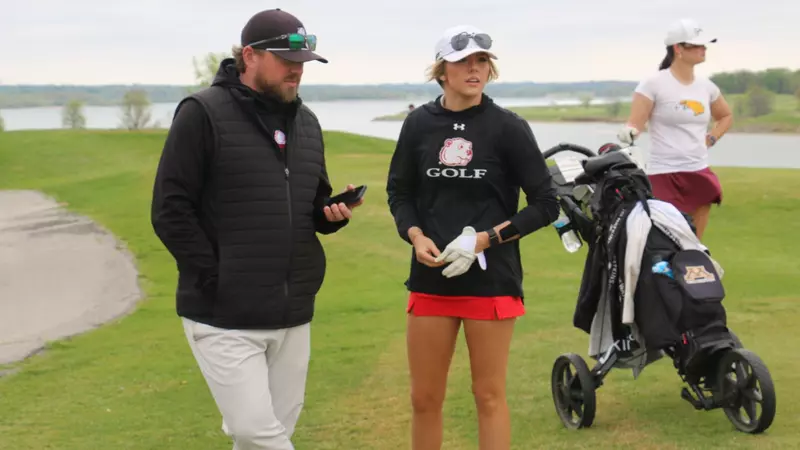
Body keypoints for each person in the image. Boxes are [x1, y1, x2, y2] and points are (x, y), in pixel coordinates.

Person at [150, 8, 362, 450]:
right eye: (286, 60)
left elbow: (310, 205)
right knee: (256, 432)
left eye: (303, 62)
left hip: (293, 312)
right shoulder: (201, 113)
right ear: (249, 56)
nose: (297, 70)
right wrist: (216, 277)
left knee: (271, 433)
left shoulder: (306, 123)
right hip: (224, 315)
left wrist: (330, 214)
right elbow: (170, 210)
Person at [386, 24, 560, 450]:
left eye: (481, 60)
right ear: (441, 70)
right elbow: (400, 193)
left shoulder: (508, 127)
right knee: (424, 398)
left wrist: (485, 239)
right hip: (432, 279)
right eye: (463, 61)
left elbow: (545, 204)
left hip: (491, 279)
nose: (474, 68)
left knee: (488, 395)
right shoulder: (418, 124)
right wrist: (415, 236)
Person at [618, 18, 733, 239]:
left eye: (704, 44)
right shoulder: (653, 84)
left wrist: (711, 138)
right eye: (697, 45)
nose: (704, 49)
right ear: (678, 48)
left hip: (698, 171)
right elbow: (636, 123)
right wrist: (630, 131)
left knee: (694, 244)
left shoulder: (707, 87)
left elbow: (725, 116)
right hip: (663, 174)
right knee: (664, 242)